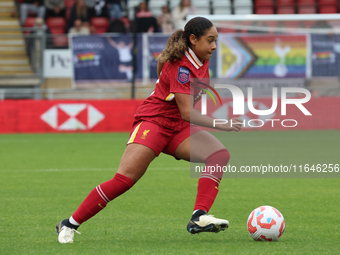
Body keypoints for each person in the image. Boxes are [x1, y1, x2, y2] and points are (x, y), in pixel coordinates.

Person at [55, 16, 242, 244]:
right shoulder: (182, 67)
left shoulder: (201, 59)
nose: (214, 45)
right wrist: (221, 123)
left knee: (219, 155)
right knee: (124, 179)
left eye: (216, 40)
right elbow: (187, 112)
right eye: (210, 40)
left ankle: (199, 216)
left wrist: (163, 82)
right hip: (153, 122)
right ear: (193, 39)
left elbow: (163, 68)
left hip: (177, 128)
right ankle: (69, 224)